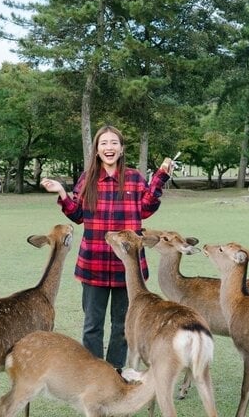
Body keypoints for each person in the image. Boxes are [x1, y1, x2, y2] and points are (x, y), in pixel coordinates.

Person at [41, 125, 173, 369]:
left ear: (121, 149)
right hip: (94, 263)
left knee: (122, 325)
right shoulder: (87, 178)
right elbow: (78, 215)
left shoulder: (133, 178)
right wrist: (61, 191)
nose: (109, 147)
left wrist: (160, 176)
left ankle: (115, 374)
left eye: (114, 143)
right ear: (97, 149)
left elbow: (146, 208)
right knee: (93, 324)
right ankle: (93, 374)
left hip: (128, 266)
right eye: (104, 143)